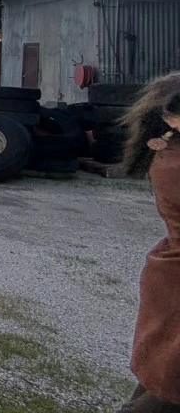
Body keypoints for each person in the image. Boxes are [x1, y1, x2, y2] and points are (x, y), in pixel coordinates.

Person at [120, 73, 180, 413]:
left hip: (170, 276)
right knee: (166, 389)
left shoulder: (170, 153)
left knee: (161, 374)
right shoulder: (174, 164)